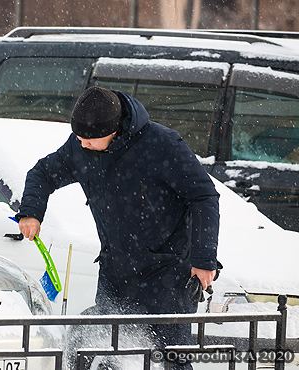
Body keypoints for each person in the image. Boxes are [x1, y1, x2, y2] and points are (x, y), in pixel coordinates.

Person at [15, 86, 220, 369]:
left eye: (89, 138)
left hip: (168, 276)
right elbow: (42, 173)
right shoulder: (80, 147)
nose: (83, 144)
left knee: (168, 360)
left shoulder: (162, 145)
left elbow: (204, 197)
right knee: (107, 355)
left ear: (113, 129)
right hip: (115, 271)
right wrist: (31, 212)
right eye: (78, 137)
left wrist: (204, 260)